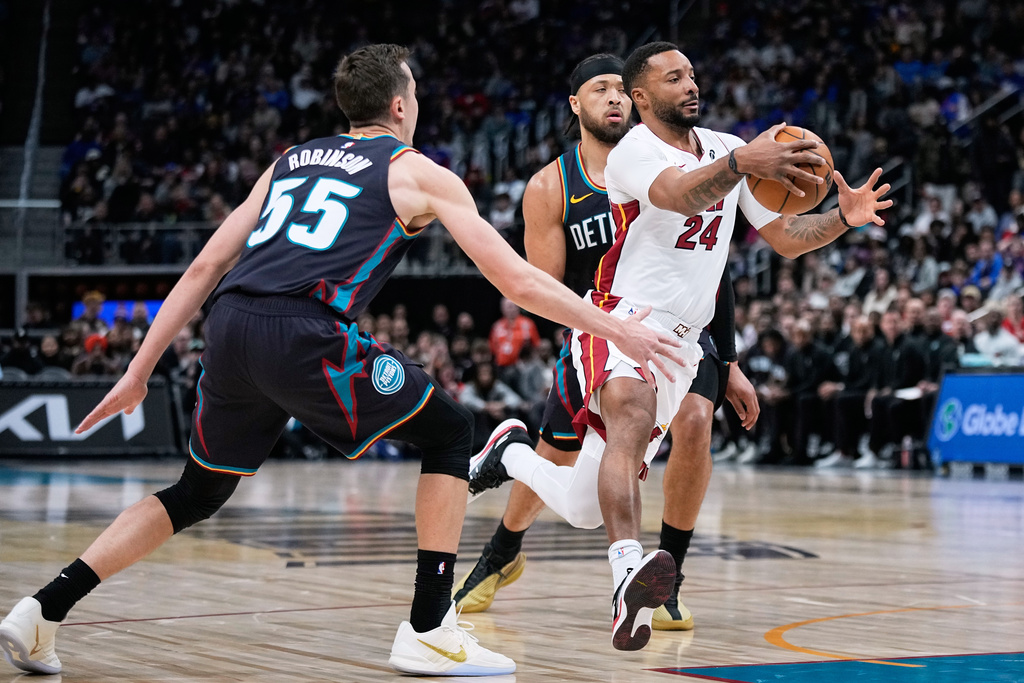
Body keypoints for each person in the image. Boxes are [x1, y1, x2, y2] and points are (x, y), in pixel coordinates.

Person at [0, 44, 686, 679]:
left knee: (196, 492)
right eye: (414, 95)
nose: (416, 106)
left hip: (231, 328)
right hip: (303, 330)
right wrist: (610, 327)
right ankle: (427, 626)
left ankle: (43, 608)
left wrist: (138, 369)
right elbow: (515, 281)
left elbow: (209, 262)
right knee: (449, 430)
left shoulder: (292, 158)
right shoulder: (415, 169)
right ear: (398, 105)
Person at [467, 42, 892, 651]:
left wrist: (844, 218)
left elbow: (788, 239)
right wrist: (747, 160)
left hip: (686, 342)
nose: (691, 85)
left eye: (693, 74)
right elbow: (677, 195)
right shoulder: (634, 152)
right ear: (641, 98)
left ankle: (508, 453)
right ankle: (625, 578)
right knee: (632, 419)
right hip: (620, 319)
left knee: (584, 505)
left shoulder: (722, 148)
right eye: (674, 78)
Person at [452, 54, 761, 636]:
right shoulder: (553, 184)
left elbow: (714, 264)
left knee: (694, 422)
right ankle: (505, 541)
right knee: (568, 474)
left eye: (624, 89)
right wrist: (598, 331)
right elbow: (540, 289)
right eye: (602, 89)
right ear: (576, 104)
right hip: (600, 326)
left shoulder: (672, 159)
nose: (616, 98)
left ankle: (661, 578)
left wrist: (732, 358)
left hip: (685, 331)